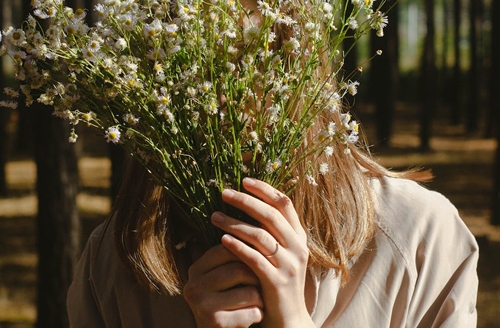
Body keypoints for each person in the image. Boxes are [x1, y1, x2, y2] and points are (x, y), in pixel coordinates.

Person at [66, 1, 479, 327]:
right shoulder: (117, 264)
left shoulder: (420, 240)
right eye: (192, 57)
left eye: (246, 52)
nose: (222, 92)